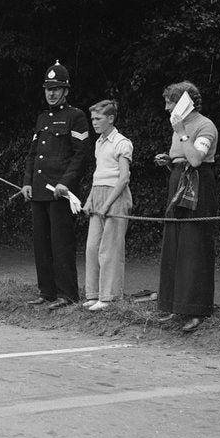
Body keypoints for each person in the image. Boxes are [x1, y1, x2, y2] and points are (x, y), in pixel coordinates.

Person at [21, 60, 91, 309]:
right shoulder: (42, 118)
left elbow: (81, 155)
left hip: (60, 192)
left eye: (57, 88)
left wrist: (66, 183)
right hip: (39, 190)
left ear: (66, 91)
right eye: (48, 88)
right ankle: (47, 292)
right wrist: (27, 182)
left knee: (61, 244)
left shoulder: (76, 117)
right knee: (42, 243)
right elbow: (32, 153)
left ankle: (67, 294)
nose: (51, 93)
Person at [154, 81, 218, 332]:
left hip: (199, 186)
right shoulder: (177, 127)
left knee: (194, 245)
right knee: (175, 243)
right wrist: (169, 162)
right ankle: (174, 305)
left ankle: (195, 309)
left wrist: (181, 131)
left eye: (171, 102)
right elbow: (183, 159)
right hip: (178, 181)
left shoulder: (205, 125)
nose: (167, 107)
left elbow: (195, 159)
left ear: (184, 103)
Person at [82, 100, 133, 311]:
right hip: (98, 194)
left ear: (110, 119)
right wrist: (90, 200)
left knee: (109, 249)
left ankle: (109, 297)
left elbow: (123, 178)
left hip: (116, 196)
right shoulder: (99, 143)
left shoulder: (122, 143)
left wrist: (107, 204)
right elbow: (98, 175)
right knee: (92, 247)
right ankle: (93, 294)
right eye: (92, 118)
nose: (94, 122)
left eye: (98, 118)